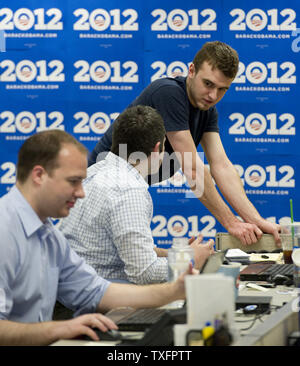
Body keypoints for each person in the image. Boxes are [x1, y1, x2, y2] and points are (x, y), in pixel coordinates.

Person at [0, 130, 195, 346]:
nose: (81, 192)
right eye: (73, 181)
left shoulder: (49, 236)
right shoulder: (5, 231)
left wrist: (174, 290)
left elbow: (99, 292)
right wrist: (61, 328)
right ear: (39, 175)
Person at [88, 41, 280, 246]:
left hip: (127, 191)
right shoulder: (168, 93)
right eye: (208, 84)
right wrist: (231, 222)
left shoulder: (207, 111)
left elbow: (221, 166)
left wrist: (256, 220)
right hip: (101, 191)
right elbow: (192, 169)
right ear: (191, 70)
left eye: (222, 89)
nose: (213, 96)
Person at [59, 106, 214, 284]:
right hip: (91, 301)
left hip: (69, 294)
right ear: (157, 148)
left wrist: (176, 254)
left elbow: (127, 251)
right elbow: (144, 273)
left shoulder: (96, 170)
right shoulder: (129, 190)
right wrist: (190, 258)